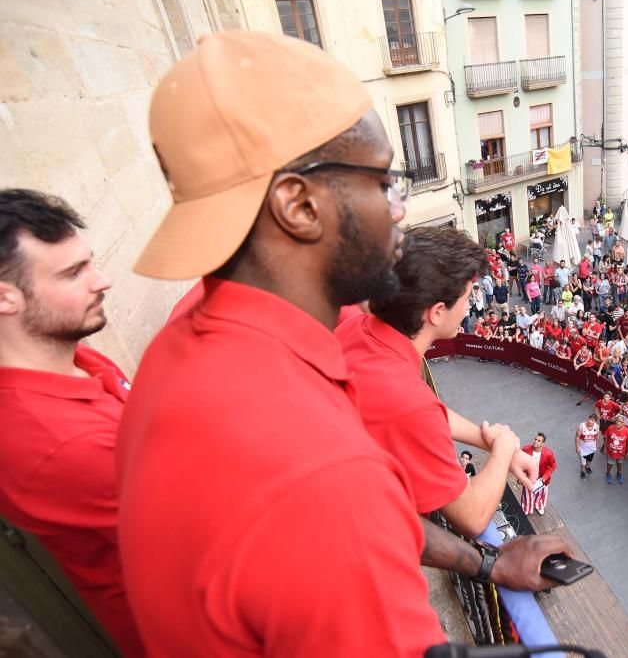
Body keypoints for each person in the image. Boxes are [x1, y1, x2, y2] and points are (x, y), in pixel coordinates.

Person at [116, 32, 570, 657]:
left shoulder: (191, 333)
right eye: (384, 182)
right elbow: (351, 520)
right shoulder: (321, 475)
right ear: (298, 207)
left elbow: (386, 525)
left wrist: (486, 567)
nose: (401, 212)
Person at [0, 190, 144, 656]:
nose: (101, 281)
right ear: (5, 299)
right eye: (73, 273)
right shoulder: (59, 443)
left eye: (90, 262)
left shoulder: (75, 353)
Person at [337, 226, 538, 538]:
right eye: (466, 298)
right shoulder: (409, 401)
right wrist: (503, 448)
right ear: (437, 312)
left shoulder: (355, 326)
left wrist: (490, 442)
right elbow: (472, 516)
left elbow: (426, 415)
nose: (469, 307)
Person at [521, 433, 557, 516]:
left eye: (538, 440)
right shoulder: (526, 449)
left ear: (542, 443)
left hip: (542, 480)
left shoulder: (548, 454)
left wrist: (544, 477)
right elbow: (520, 462)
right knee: (527, 495)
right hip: (529, 478)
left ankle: (539, 506)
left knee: (541, 494)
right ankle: (526, 509)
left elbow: (553, 466)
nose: (535, 441)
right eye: (535, 439)